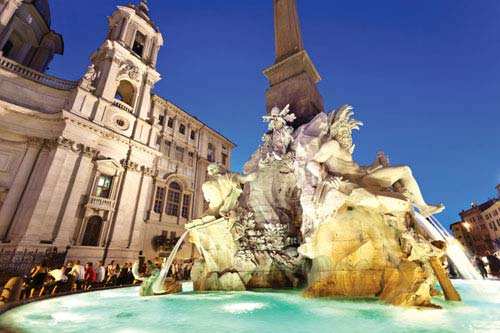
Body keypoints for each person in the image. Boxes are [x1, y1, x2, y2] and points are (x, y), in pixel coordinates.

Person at [307, 105, 444, 218]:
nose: (347, 135)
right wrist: (325, 176)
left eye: (348, 132)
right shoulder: (333, 145)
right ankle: (421, 207)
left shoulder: (346, 151)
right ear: (335, 131)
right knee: (404, 170)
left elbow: (359, 171)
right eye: (343, 130)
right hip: (355, 184)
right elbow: (312, 162)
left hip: (364, 180)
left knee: (405, 171)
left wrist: (376, 165)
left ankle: (423, 207)